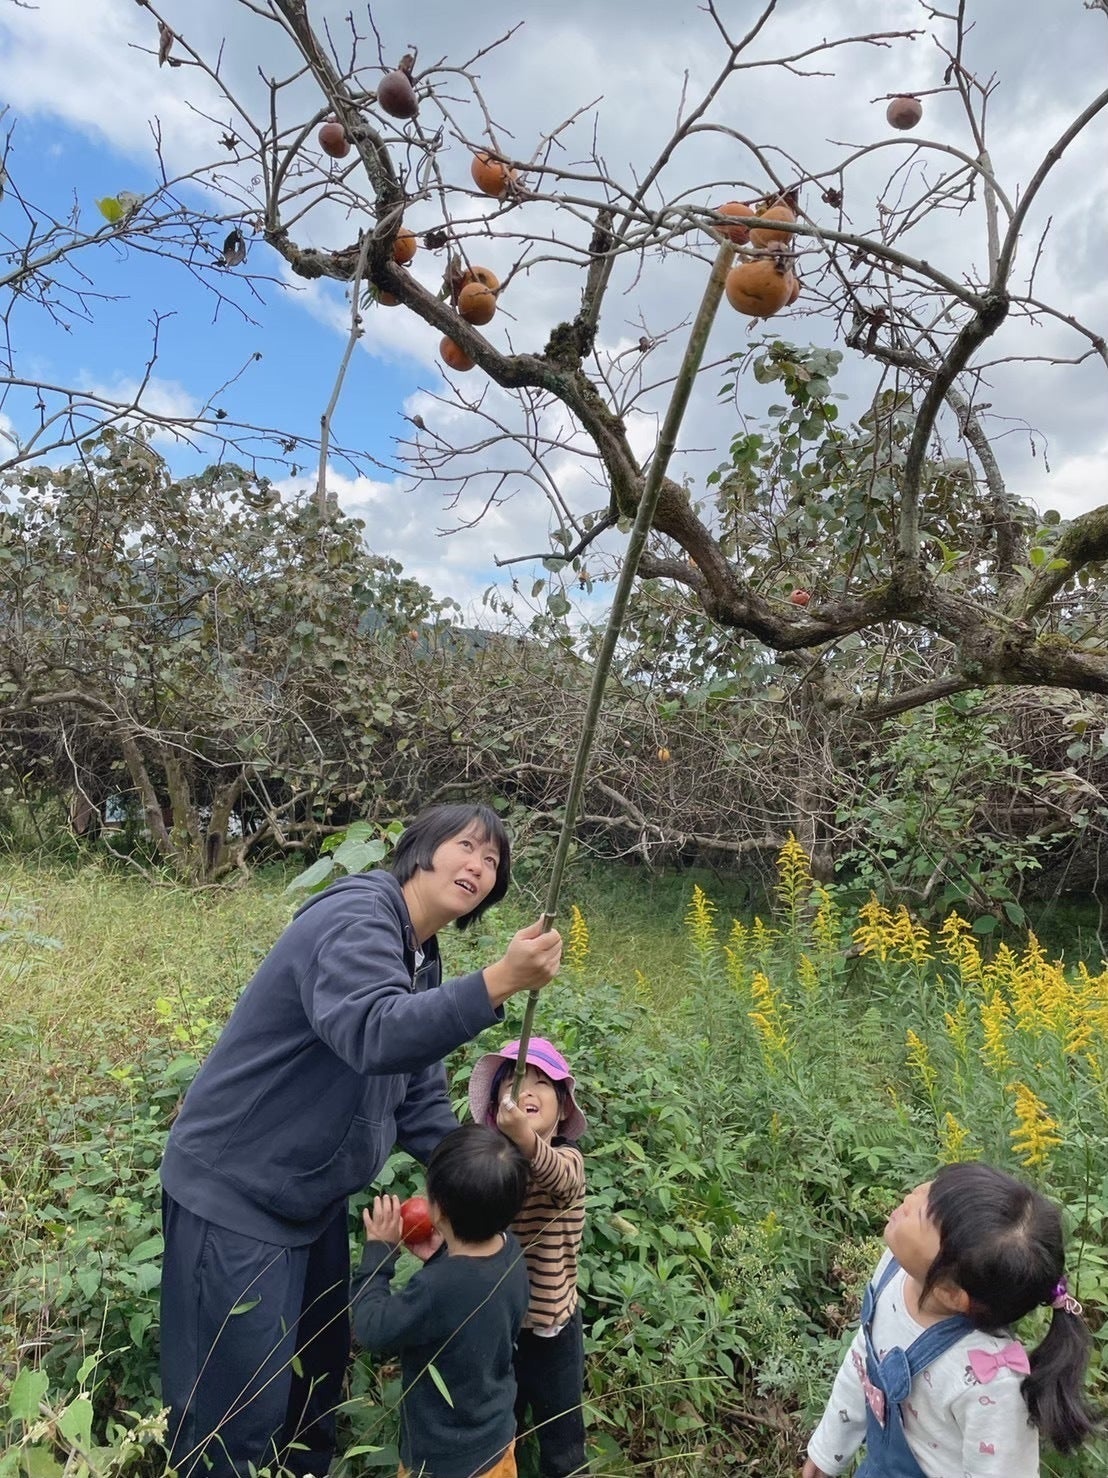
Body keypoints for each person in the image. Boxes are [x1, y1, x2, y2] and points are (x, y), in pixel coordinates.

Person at [158, 802, 562, 1478]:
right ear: (419, 851)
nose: (480, 866)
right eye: (466, 847)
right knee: (231, 1423)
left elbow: (420, 1106)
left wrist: (484, 1181)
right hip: (236, 1200)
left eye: (493, 862)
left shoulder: (421, 959)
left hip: (308, 1205)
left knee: (310, 1397)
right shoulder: (356, 917)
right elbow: (375, 1031)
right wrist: (498, 982)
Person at [804, 1161, 1098, 1478]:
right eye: (932, 1189)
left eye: (924, 1215)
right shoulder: (896, 1269)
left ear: (950, 1292)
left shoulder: (989, 1382)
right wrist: (826, 1452)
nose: (914, 1196)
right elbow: (864, 1361)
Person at [353, 1123, 532, 1478]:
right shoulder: (511, 1251)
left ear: (440, 1211)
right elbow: (466, 1287)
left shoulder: (438, 1288)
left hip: (442, 1460)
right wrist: (441, 1256)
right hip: (495, 1442)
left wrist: (379, 1254)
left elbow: (371, 1328)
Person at [469, 1038, 588, 1477]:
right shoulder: (493, 1169)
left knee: (563, 1438)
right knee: (502, 1431)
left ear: (562, 1109)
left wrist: (525, 1139)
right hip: (499, 1328)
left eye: (543, 1083)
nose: (528, 1091)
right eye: (517, 1083)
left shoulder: (568, 1159)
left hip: (553, 1329)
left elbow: (562, 1181)